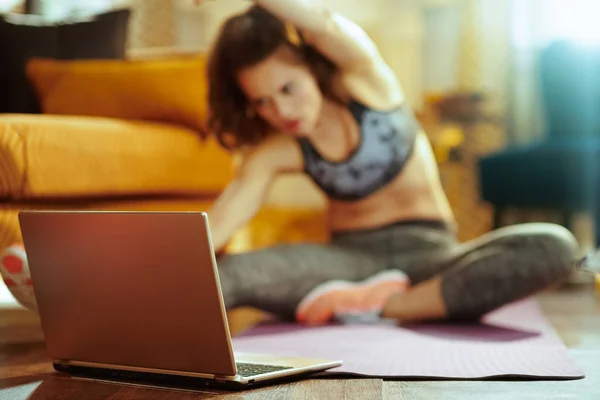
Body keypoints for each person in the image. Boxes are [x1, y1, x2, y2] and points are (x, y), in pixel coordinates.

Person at [201, 0, 580, 326]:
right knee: (224, 275)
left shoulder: (369, 83)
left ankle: (388, 307)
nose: (280, 110)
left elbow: (322, 23)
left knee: (554, 246)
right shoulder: (278, 150)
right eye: (262, 101)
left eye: (287, 89)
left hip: (433, 256)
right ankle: (393, 303)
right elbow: (219, 225)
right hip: (346, 264)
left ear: (313, 69)